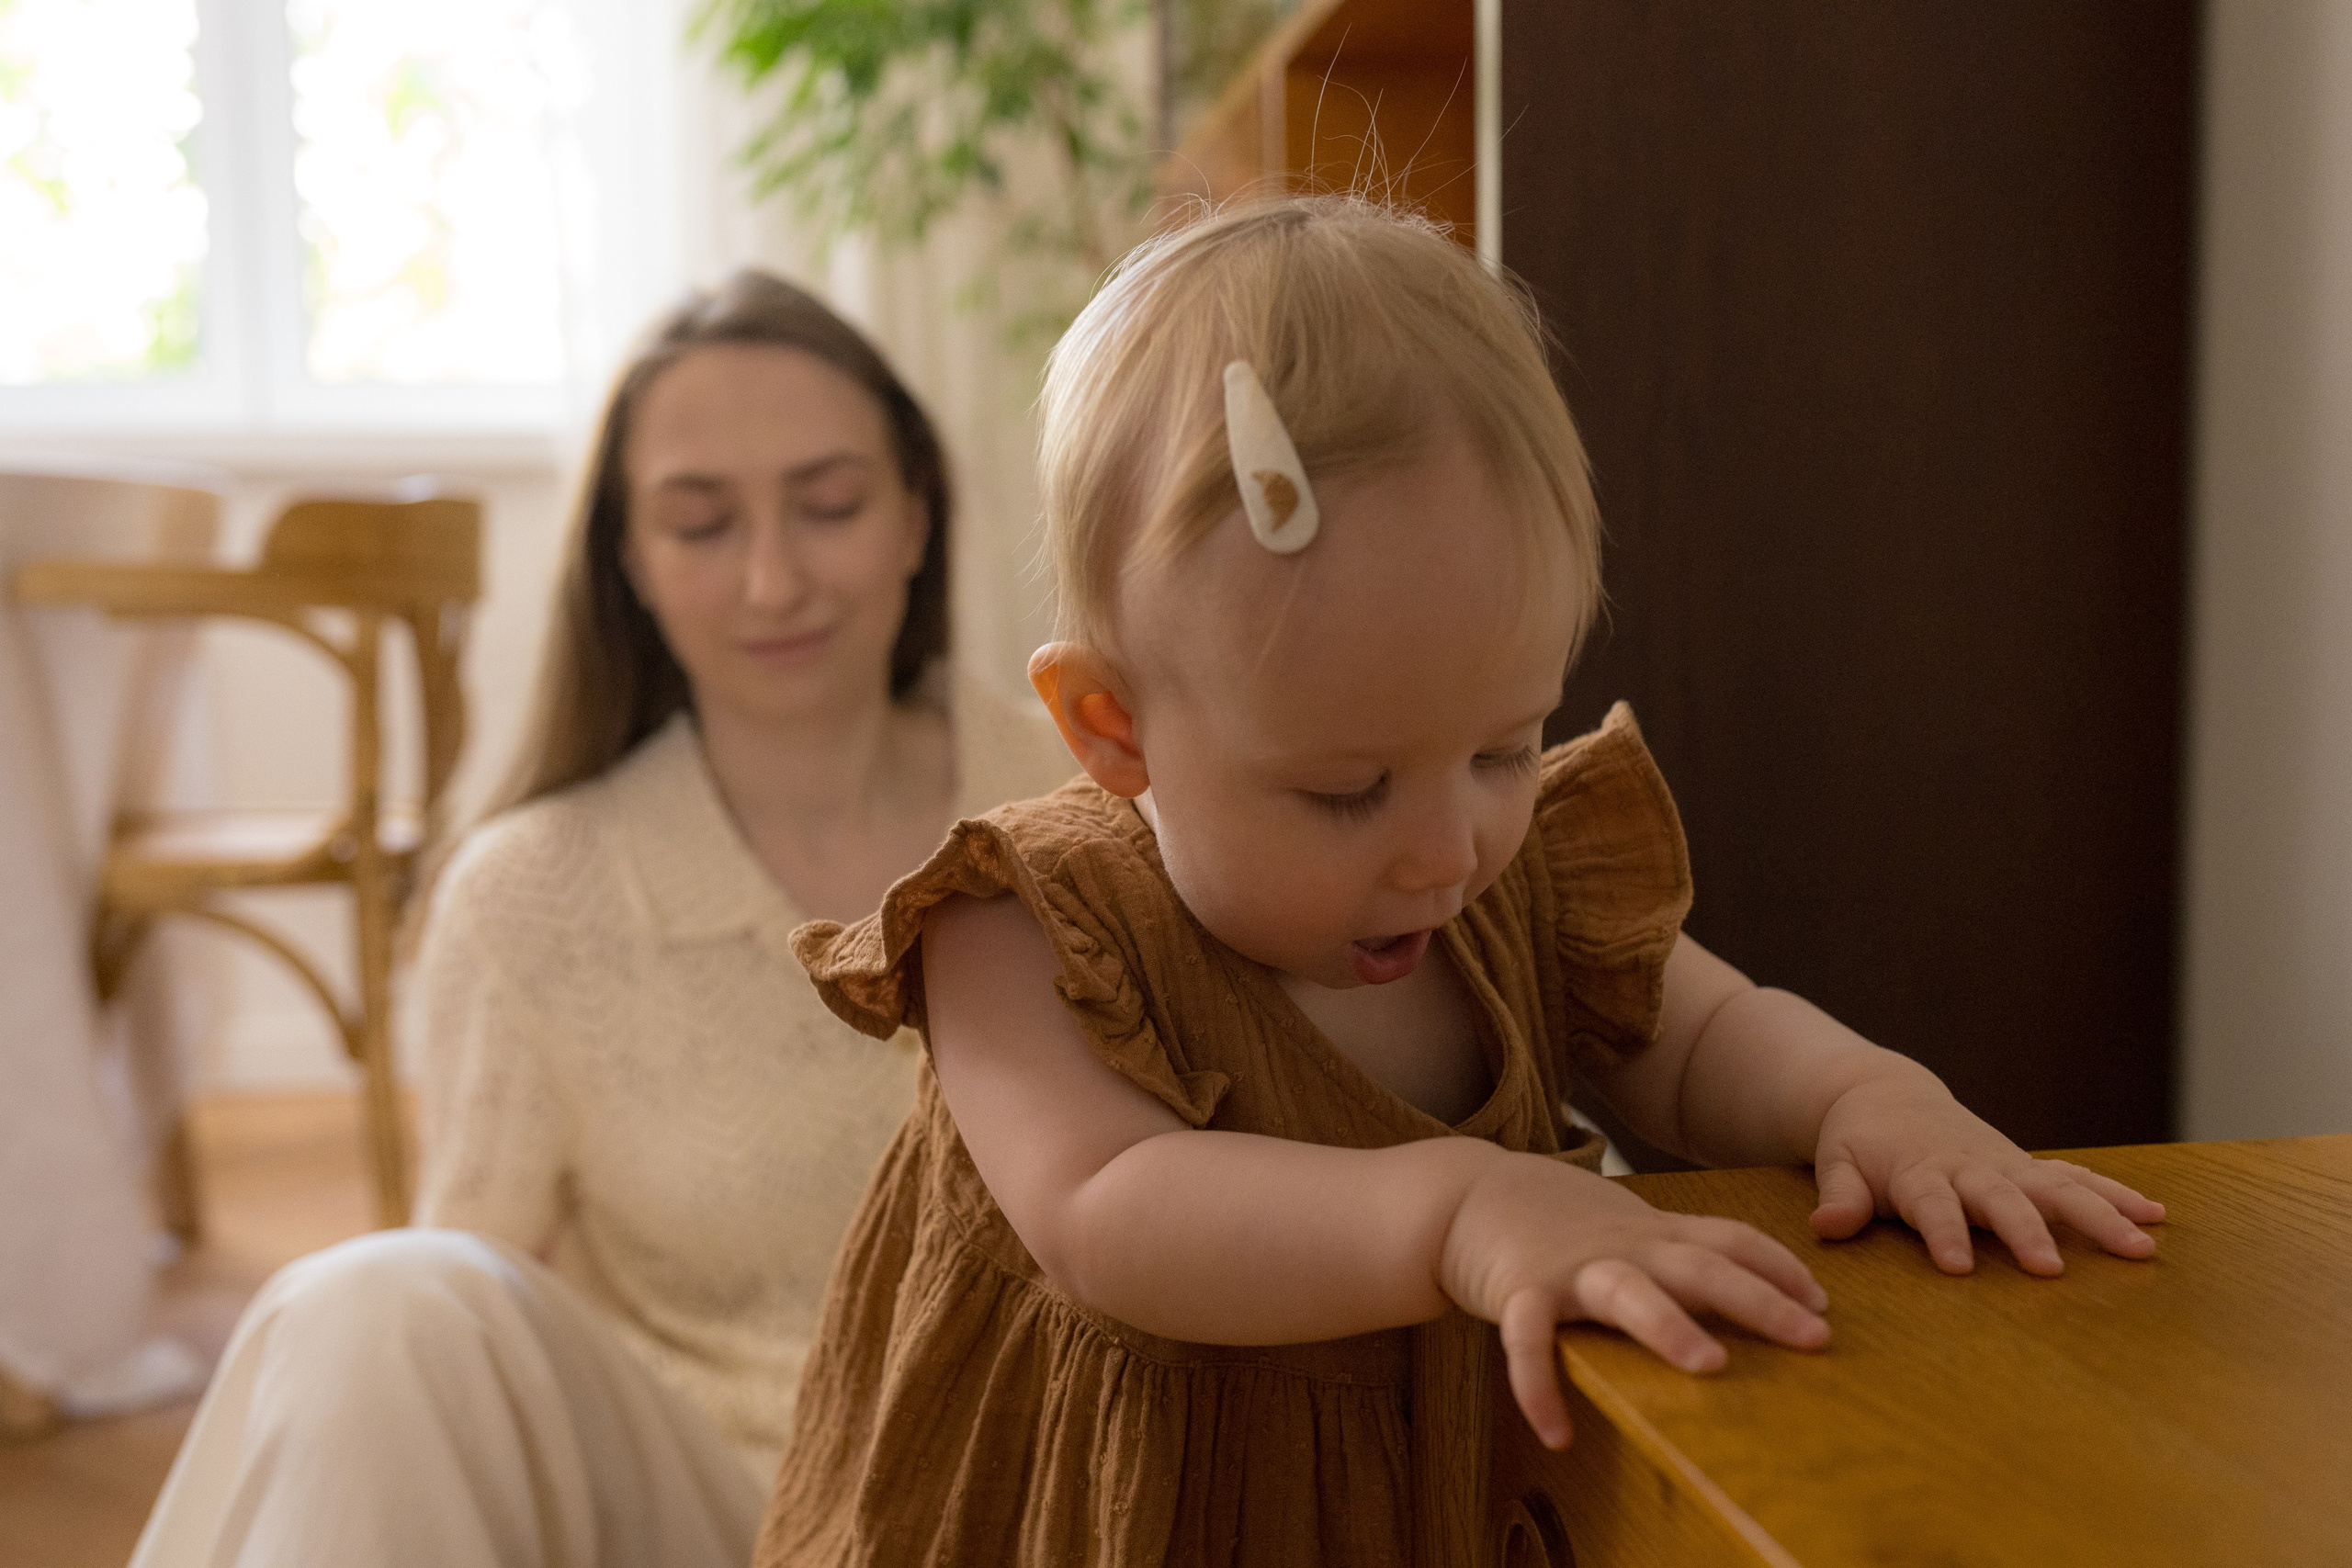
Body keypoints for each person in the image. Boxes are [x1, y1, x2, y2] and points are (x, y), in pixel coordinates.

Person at [752, 198, 2168, 1567]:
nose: (1448, 849)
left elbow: (1706, 1039)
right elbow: (1104, 1216)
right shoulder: (1022, 930)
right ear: (1112, 728)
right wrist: (1457, 1211)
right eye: (1346, 790)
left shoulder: (1517, 879)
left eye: (1503, 747)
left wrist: (1870, 1099)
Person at [128, 271, 1075, 1568]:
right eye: (700, 524)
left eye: (831, 504)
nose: (772, 578)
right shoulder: (529, 898)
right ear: (627, 562)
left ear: (918, 512)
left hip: (1073, 1503)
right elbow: (469, 1320)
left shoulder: (1094, 809)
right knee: (378, 1305)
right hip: (733, 1514)